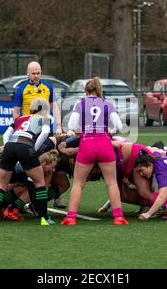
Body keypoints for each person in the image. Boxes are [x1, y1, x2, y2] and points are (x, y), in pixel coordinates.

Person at [61, 77, 128, 225]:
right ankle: (118, 217)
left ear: (86, 90)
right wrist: (109, 132)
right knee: (111, 183)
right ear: (99, 90)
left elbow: (71, 125)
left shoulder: (80, 104)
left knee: (78, 183)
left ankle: (71, 217)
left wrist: (81, 131)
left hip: (87, 143)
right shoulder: (107, 104)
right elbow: (118, 126)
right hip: (104, 143)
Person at [0, 98, 55, 226]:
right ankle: (44, 218)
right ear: (44, 110)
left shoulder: (20, 118)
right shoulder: (44, 119)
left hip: (10, 146)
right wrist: (33, 149)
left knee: (1, 185)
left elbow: (5, 135)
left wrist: (7, 148)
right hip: (26, 146)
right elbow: (45, 133)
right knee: (40, 183)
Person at [12, 61, 62, 134]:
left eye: (38, 73)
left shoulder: (48, 87)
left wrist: (59, 126)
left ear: (41, 73)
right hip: (28, 127)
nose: (36, 76)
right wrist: (17, 128)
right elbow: (16, 112)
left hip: (45, 126)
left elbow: (54, 107)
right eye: (33, 73)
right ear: (28, 73)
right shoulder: (21, 89)